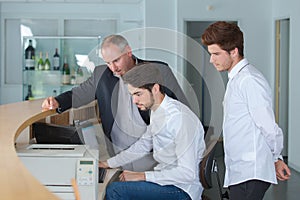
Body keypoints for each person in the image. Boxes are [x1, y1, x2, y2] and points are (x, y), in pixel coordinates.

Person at [41, 34, 189, 171]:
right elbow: (80, 94)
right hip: (118, 154)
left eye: (116, 60)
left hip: (152, 154)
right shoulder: (101, 75)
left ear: (128, 52)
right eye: (108, 63)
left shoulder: (159, 70)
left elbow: (182, 109)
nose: (113, 68)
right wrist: (57, 101)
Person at [201, 21, 291, 200]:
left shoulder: (249, 80)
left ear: (234, 51)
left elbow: (268, 125)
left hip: (251, 171)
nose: (211, 60)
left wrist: (276, 157)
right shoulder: (236, 79)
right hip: (241, 169)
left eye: (216, 54)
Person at [99, 63, 205, 200]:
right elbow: (142, 146)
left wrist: (142, 176)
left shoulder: (178, 118)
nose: (134, 101)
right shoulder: (157, 111)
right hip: (167, 182)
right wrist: (108, 163)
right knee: (120, 183)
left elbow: (187, 173)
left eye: (138, 94)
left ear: (155, 88)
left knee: (116, 191)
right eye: (131, 95)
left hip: (182, 189)